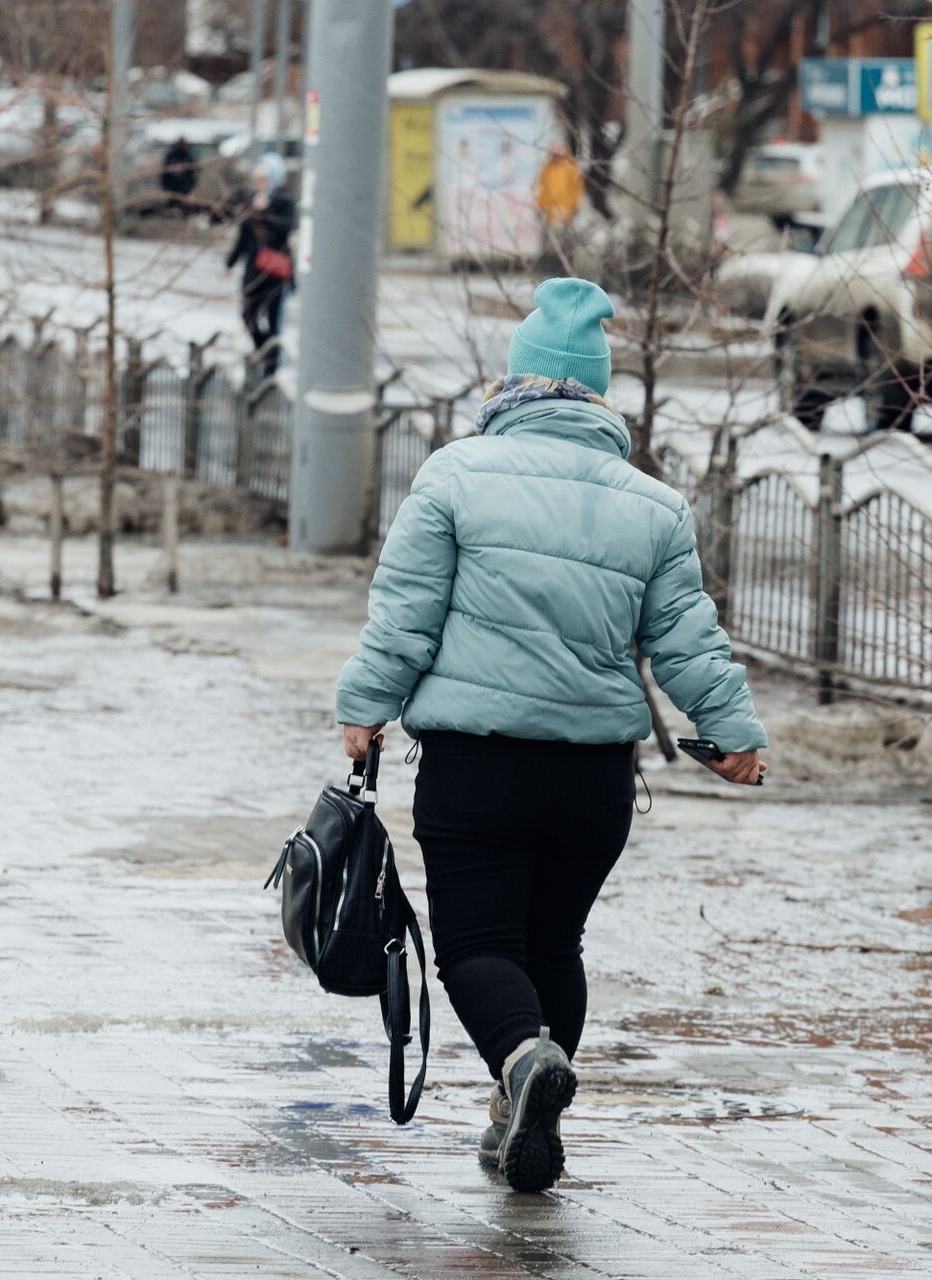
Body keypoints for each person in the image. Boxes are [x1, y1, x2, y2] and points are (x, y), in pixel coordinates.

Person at [334, 277, 768, 1193]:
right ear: (601, 395)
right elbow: (686, 637)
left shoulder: (454, 474)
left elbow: (405, 615)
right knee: (555, 942)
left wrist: (364, 707)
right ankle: (520, 1115)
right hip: (593, 781)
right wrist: (731, 733)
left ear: (515, 384)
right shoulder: (655, 505)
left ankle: (524, 1067)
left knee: (479, 948)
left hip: (478, 768)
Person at [223, 152, 295, 379]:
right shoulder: (250, 199)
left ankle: (271, 366)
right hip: (254, 269)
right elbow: (243, 236)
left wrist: (264, 212)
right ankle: (263, 349)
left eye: (264, 179)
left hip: (275, 271)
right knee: (248, 313)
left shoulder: (284, 201)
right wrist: (230, 262)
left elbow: (284, 230)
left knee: (274, 319)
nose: (260, 184)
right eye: (258, 179)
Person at [533, 142, 584, 263]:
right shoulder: (547, 168)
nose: (554, 156)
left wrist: (576, 205)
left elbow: (577, 188)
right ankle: (551, 263)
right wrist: (539, 205)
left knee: (563, 239)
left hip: (565, 210)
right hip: (549, 211)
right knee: (550, 240)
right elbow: (541, 188)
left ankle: (563, 264)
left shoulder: (570, 168)